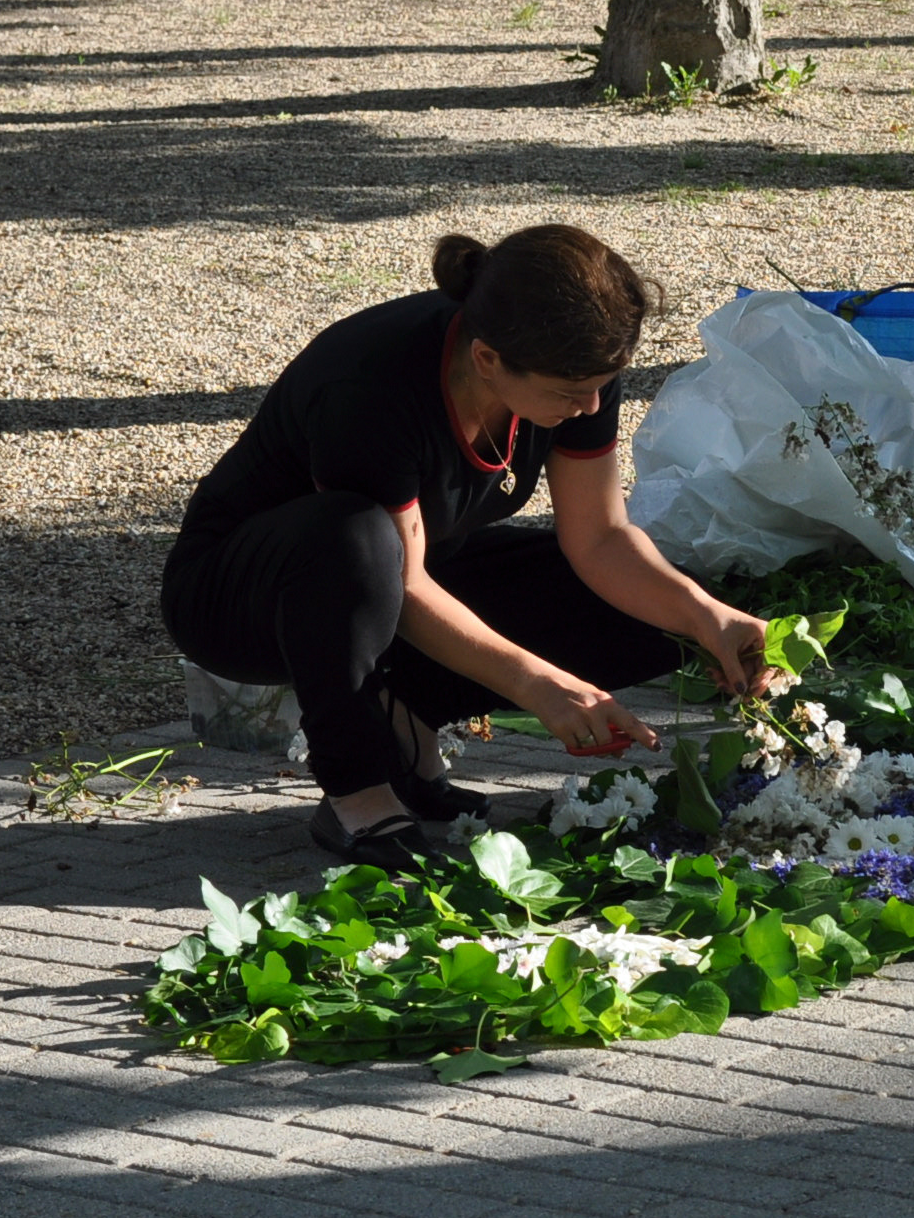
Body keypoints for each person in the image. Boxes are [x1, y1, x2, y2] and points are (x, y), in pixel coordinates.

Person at [164, 226, 773, 867]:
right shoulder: (372, 386)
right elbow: (399, 583)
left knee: (661, 611)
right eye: (570, 392)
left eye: (602, 384)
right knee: (358, 537)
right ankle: (356, 789)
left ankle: (407, 718)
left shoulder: (576, 363)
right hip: (245, 598)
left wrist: (707, 616)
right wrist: (540, 685)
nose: (590, 404)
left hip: (402, 574)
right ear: (486, 359)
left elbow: (600, 538)